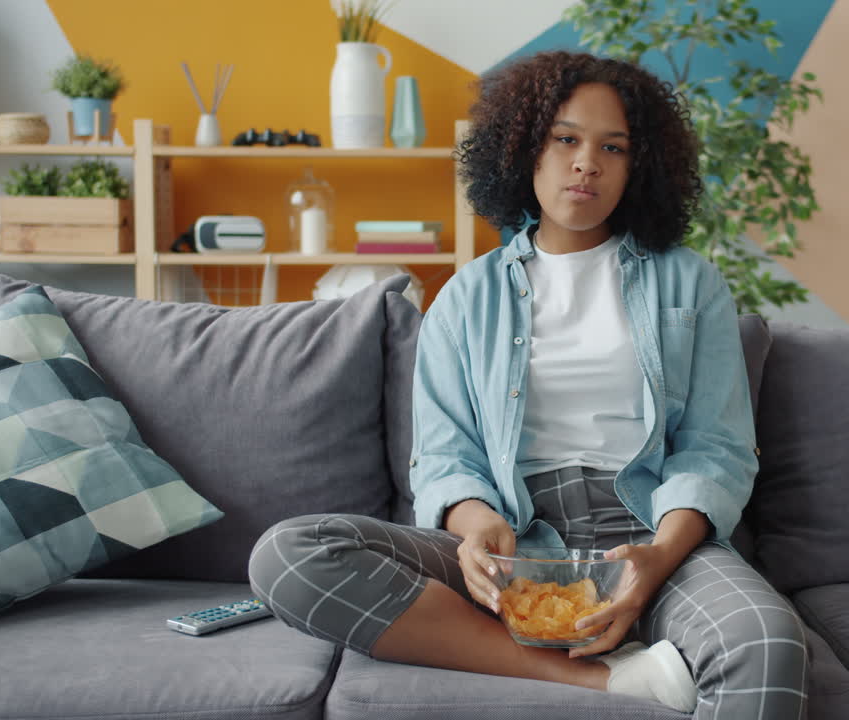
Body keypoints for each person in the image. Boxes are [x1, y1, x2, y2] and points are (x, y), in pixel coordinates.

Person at [249, 50, 807, 717]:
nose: (586, 163)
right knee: (288, 556)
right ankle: (608, 678)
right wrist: (476, 523)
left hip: (650, 533)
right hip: (519, 535)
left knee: (769, 646)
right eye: (565, 138)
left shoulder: (691, 284)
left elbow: (716, 449)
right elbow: (444, 456)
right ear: (523, 150)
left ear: (641, 166)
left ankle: (631, 632)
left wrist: (657, 558)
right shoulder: (464, 298)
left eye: (614, 147)